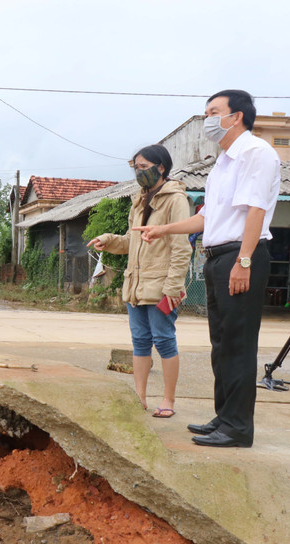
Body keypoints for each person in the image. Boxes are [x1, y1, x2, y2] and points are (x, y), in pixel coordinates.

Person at [135, 89, 281, 448]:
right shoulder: (223, 163)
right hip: (218, 257)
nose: (207, 120)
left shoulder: (256, 153)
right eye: (205, 113)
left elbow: (255, 210)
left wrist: (244, 261)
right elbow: (206, 218)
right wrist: (163, 229)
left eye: (214, 112)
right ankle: (225, 418)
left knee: (238, 344)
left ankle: (237, 429)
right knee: (221, 344)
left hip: (240, 255)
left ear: (238, 117)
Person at [87, 145, 192, 417]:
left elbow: (182, 248)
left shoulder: (175, 200)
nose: (138, 171)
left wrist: (172, 288)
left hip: (161, 288)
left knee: (164, 341)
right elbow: (130, 241)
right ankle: (140, 397)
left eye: (143, 166)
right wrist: (109, 241)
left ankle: (168, 401)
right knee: (140, 342)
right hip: (135, 286)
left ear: (161, 168)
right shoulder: (140, 200)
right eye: (135, 167)